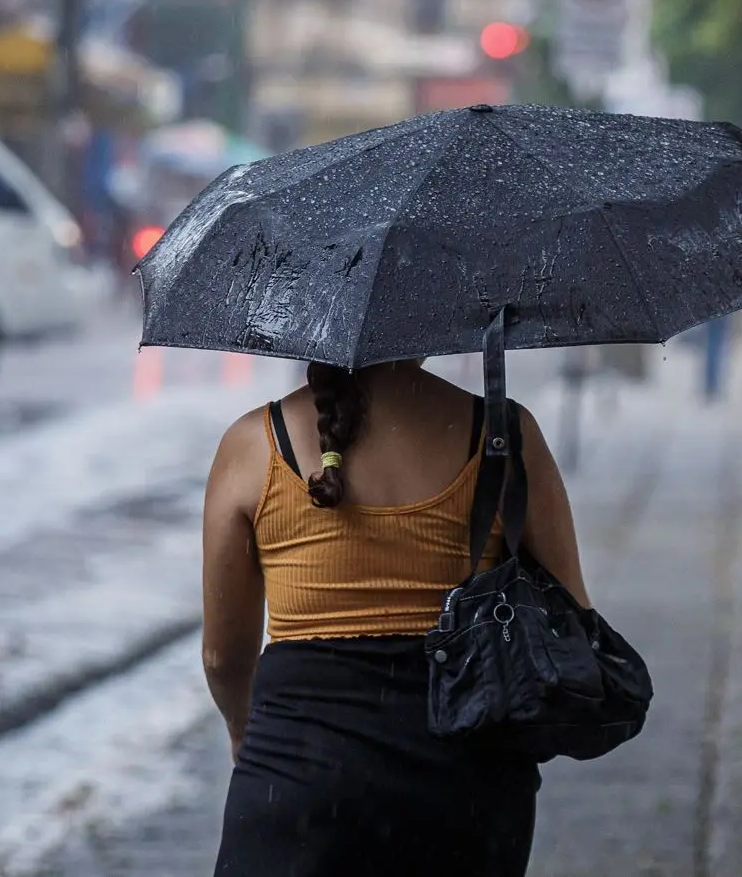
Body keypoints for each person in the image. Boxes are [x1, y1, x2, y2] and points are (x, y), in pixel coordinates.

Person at [202, 358, 591, 877]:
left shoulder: (254, 444)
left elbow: (223, 657)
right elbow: (573, 619)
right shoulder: (504, 434)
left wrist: (242, 732)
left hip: (298, 777)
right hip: (469, 787)